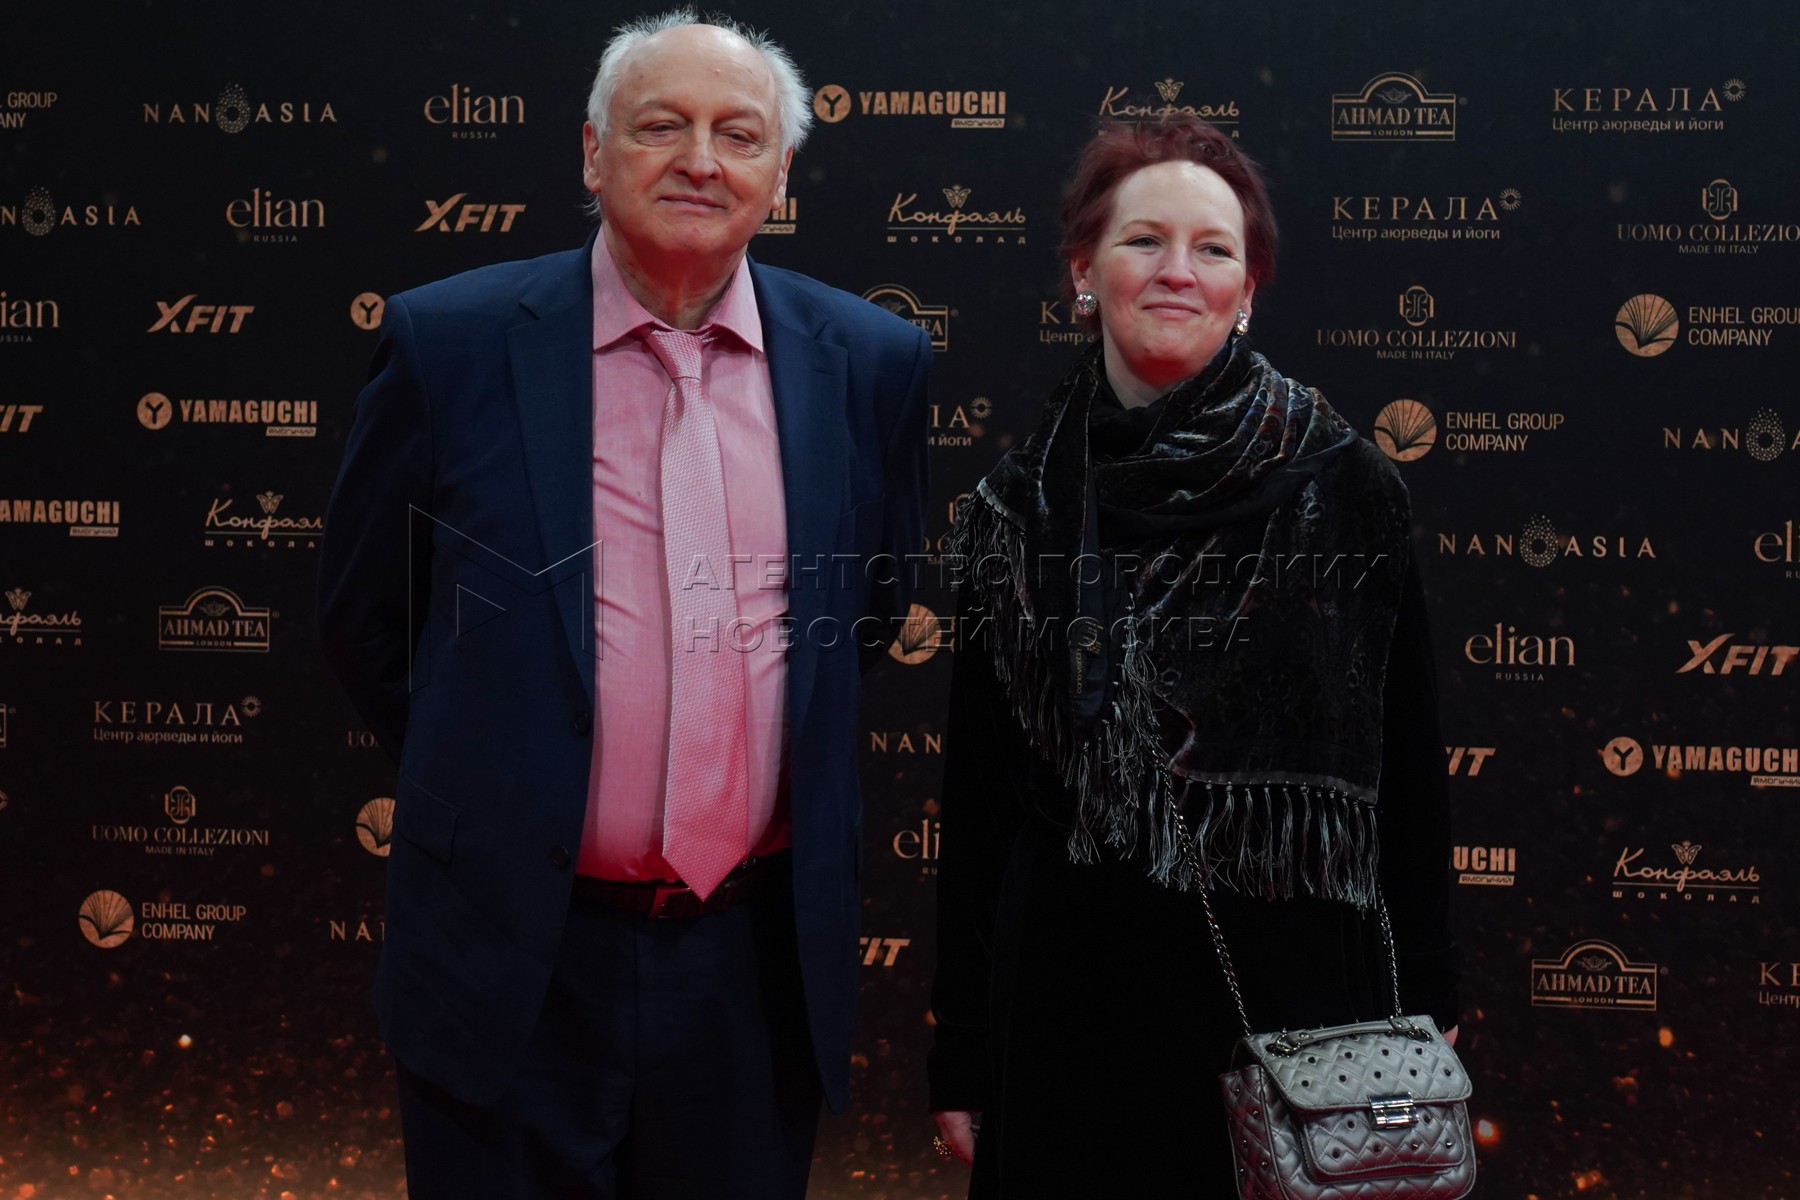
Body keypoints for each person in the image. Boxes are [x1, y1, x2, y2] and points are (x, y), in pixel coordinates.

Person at [317, 10, 931, 1198]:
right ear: (593, 152)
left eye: (738, 134)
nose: (701, 160)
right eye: (662, 126)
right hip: (511, 954)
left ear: (780, 174)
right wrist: (510, 780)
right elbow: (365, 622)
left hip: (750, 966)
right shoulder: (451, 343)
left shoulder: (872, 361)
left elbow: (864, 617)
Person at [926, 115, 1460, 1194]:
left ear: (1247, 288)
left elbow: (1408, 765)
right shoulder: (1014, 511)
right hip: (1071, 1014)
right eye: (1143, 241)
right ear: (1084, 272)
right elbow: (979, 803)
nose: (1178, 270)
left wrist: (1432, 1000)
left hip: (1301, 1012)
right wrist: (964, 1052)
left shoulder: (1347, 485)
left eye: (1213, 249)